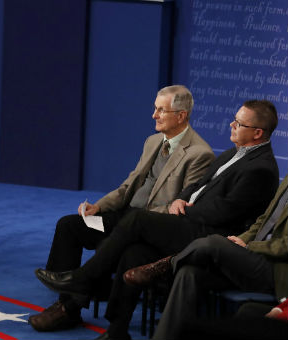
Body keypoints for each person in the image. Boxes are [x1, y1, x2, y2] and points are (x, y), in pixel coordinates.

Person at [35, 100, 280, 340]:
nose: (231, 125)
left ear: (257, 133)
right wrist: (180, 200)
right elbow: (197, 185)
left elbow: (226, 212)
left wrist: (185, 210)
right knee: (134, 252)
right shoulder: (235, 152)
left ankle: (82, 279)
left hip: (207, 234)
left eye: (238, 123)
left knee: (138, 221)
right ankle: (117, 328)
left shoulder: (260, 168)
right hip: (189, 220)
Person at [29, 85, 215, 331]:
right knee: (69, 225)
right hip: (123, 216)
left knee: (113, 245)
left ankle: (70, 308)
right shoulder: (152, 141)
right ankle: (67, 299)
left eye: (161, 110)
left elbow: (179, 207)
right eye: (155, 108)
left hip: (147, 227)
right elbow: (128, 186)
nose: (154, 115)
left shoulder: (200, 155)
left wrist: (138, 221)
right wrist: (98, 206)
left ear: (181, 116)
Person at [123, 172, 288, 339]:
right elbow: (263, 220)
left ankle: (167, 265)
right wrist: (241, 239)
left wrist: (250, 246)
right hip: (250, 258)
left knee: (214, 243)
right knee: (189, 272)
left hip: (276, 270)